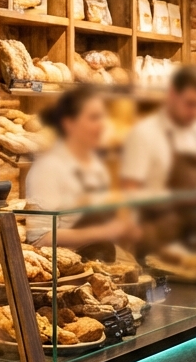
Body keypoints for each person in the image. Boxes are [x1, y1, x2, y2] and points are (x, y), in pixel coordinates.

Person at [23, 86, 133, 248]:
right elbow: (40, 239)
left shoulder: (96, 165)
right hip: (65, 269)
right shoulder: (47, 169)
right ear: (69, 124)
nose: (102, 125)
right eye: (94, 118)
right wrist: (105, 232)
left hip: (97, 265)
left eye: (103, 117)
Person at [120, 63, 196, 194]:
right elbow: (129, 191)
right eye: (190, 103)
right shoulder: (143, 134)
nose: (195, 112)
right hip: (157, 214)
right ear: (173, 94)